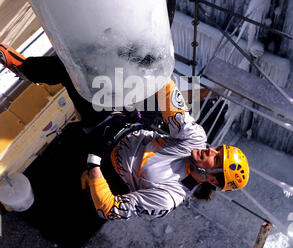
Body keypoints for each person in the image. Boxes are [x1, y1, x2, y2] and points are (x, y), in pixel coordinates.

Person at [0, 43, 250, 221]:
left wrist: (94, 163)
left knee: (71, 74)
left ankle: (25, 69)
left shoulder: (167, 197)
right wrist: (151, 63)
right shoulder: (196, 140)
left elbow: (110, 209)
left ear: (213, 179)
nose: (210, 150)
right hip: (131, 119)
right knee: (97, 69)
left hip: (104, 137)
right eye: (218, 150)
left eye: (216, 158)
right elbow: (169, 98)